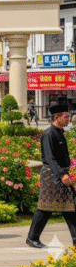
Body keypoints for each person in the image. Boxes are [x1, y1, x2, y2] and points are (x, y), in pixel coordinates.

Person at [26, 104, 76, 248]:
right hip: (52, 175)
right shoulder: (48, 134)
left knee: (70, 207)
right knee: (45, 207)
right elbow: (49, 158)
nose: (68, 119)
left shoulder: (60, 132)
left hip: (61, 173)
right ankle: (32, 238)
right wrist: (61, 174)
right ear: (57, 117)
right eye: (66, 117)